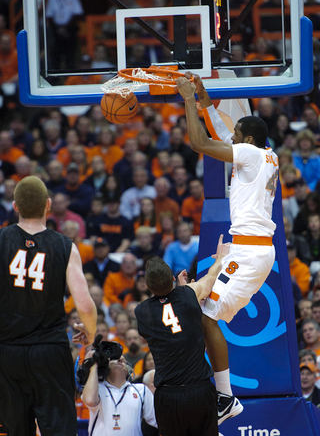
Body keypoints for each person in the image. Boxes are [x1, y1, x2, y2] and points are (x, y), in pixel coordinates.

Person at [177, 72, 279, 423]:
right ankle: (220, 393)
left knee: (205, 314)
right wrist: (205, 99)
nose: (231, 138)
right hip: (248, 249)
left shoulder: (249, 155)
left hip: (249, 252)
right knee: (201, 309)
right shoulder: (263, 154)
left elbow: (200, 143)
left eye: (238, 135)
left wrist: (188, 99)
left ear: (248, 140)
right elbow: (222, 134)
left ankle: (225, 397)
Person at [0, 176, 97, 436]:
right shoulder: (65, 246)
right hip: (50, 351)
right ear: (48, 205)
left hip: (8, 351)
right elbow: (85, 305)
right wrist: (90, 333)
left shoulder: (1, 240)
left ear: (16, 206)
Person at [135, 235, 229, 436]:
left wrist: (178, 291)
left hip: (169, 396)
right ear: (172, 277)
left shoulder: (142, 311)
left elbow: (164, 312)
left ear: (148, 287)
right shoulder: (188, 294)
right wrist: (220, 258)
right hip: (199, 391)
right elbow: (211, 278)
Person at [82, 352, 157, 436]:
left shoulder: (140, 389)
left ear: (129, 369)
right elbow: (89, 400)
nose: (119, 360)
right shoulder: (97, 388)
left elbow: (157, 421)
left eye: (123, 360)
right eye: (114, 359)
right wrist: (93, 365)